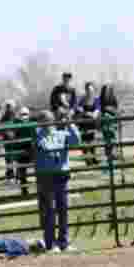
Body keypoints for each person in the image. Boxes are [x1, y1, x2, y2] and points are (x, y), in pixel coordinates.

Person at [35, 108, 81, 252]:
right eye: (44, 121)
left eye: (48, 121)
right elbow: (44, 146)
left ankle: (63, 242)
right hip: (46, 176)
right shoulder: (38, 136)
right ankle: (50, 243)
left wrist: (70, 124)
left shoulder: (62, 133)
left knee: (62, 210)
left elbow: (76, 141)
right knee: (50, 210)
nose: (47, 124)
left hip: (61, 175)